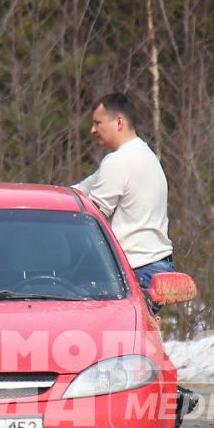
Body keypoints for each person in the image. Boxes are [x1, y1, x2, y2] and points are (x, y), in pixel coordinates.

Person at [75, 93, 175, 294]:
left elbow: (91, 220)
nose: (92, 130)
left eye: (97, 123)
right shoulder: (144, 156)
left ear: (119, 122)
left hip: (135, 271)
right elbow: (76, 193)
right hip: (155, 266)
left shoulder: (119, 162)